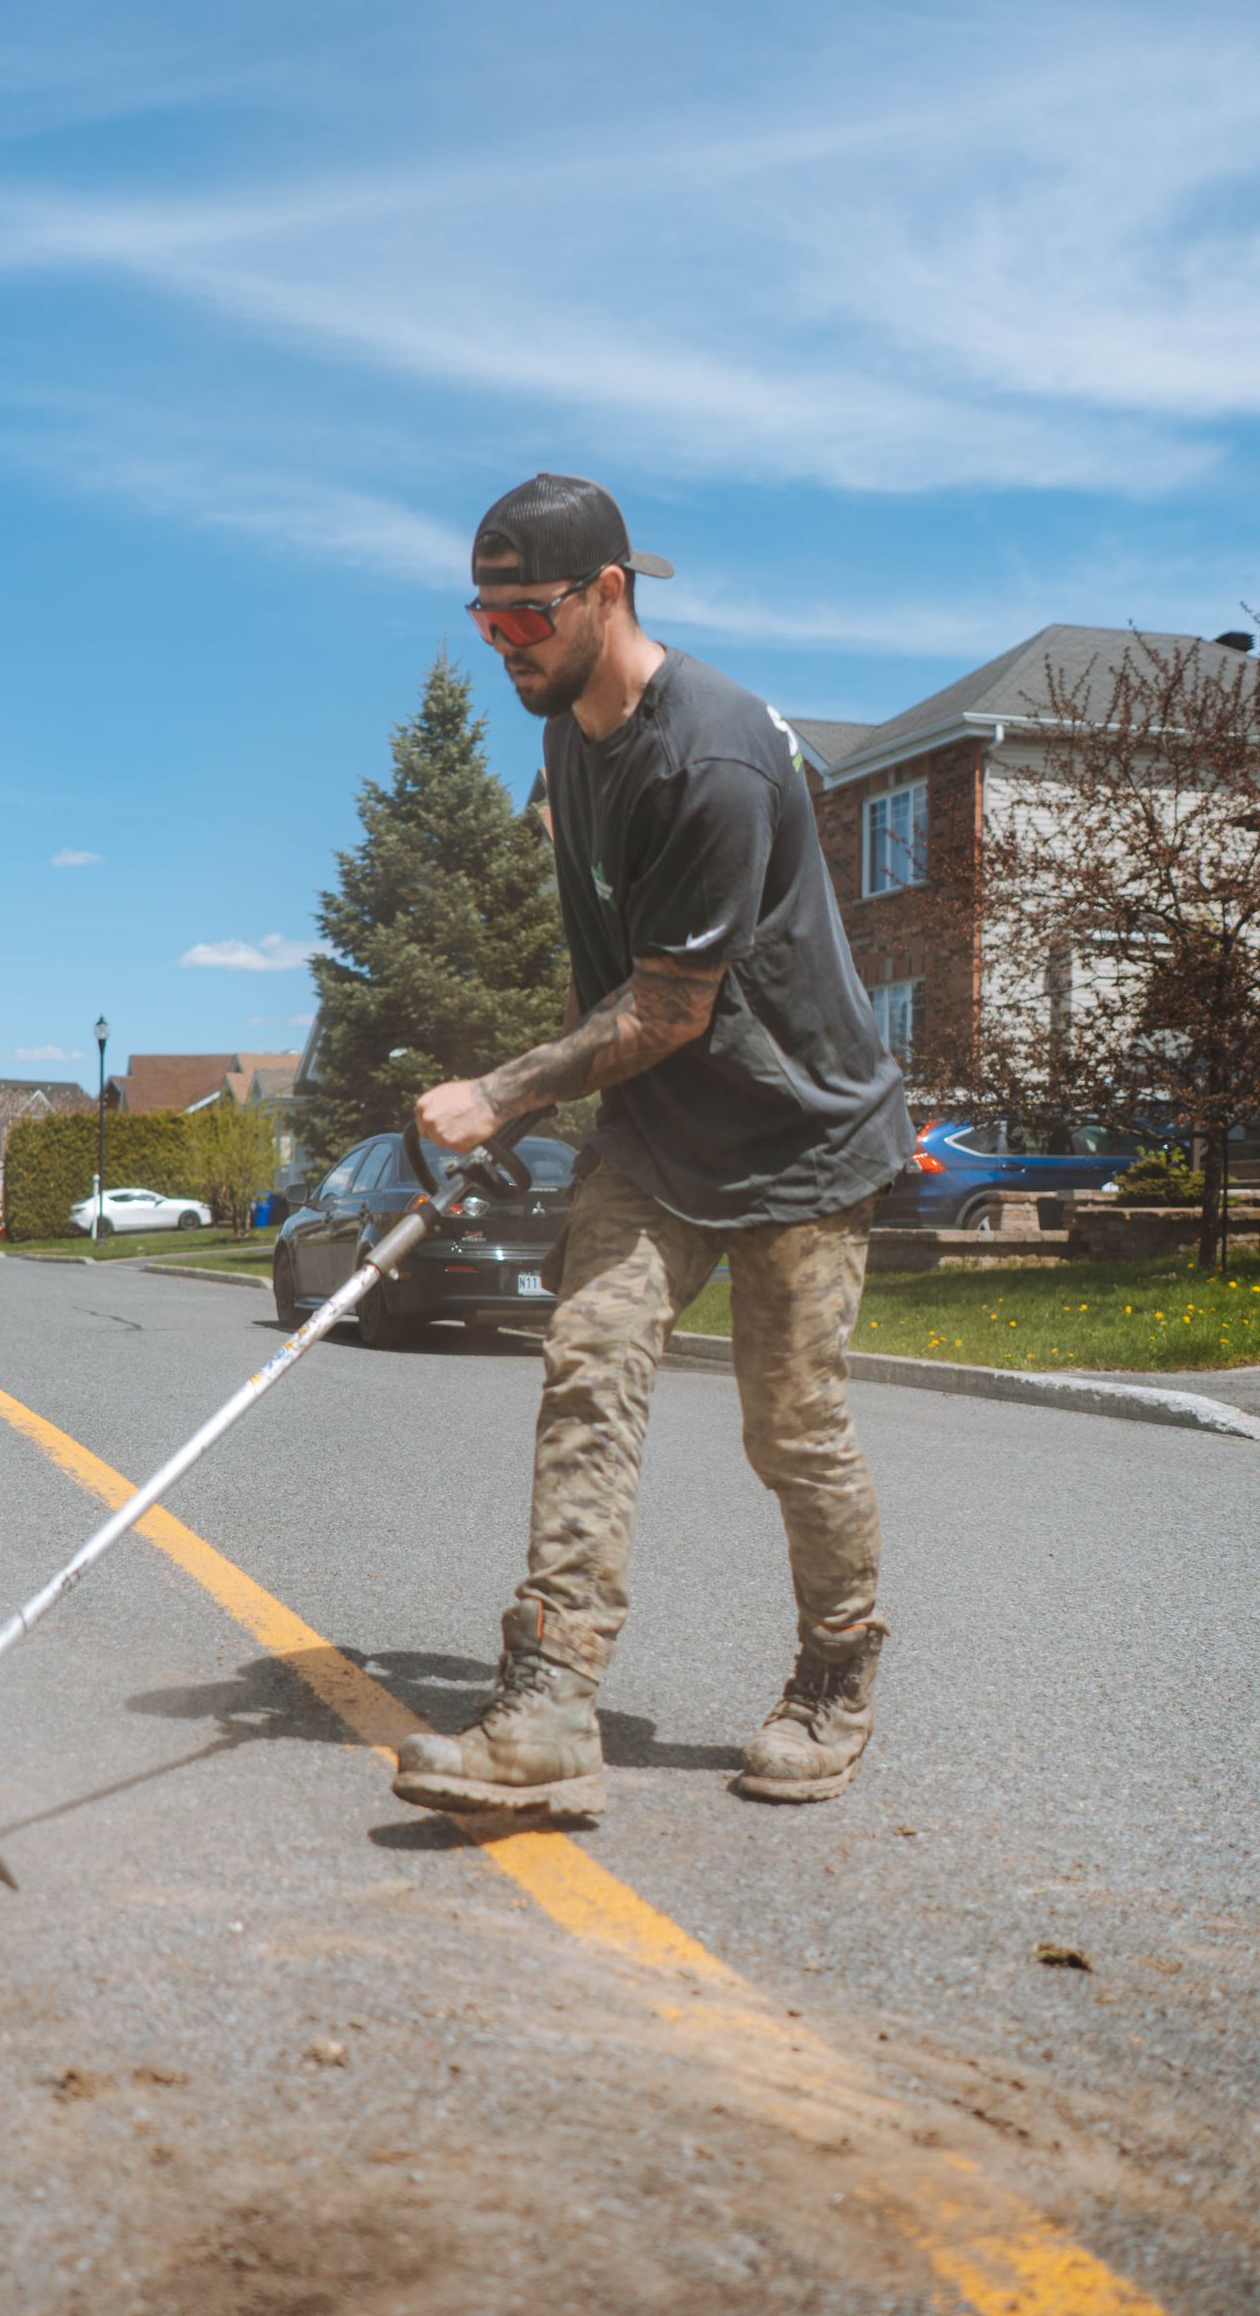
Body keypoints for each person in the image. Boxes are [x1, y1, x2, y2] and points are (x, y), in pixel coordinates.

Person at [394, 473, 912, 1821]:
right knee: (589, 1363)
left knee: (792, 1430)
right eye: (483, 613)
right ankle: (553, 1706)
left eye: (526, 614)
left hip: (799, 1134)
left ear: (607, 593)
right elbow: (609, 977)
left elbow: (675, 1005)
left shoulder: (720, 756)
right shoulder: (568, 735)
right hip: (656, 1135)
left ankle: (837, 1674)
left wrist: (501, 1095)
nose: (502, 639)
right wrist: (547, 1108)